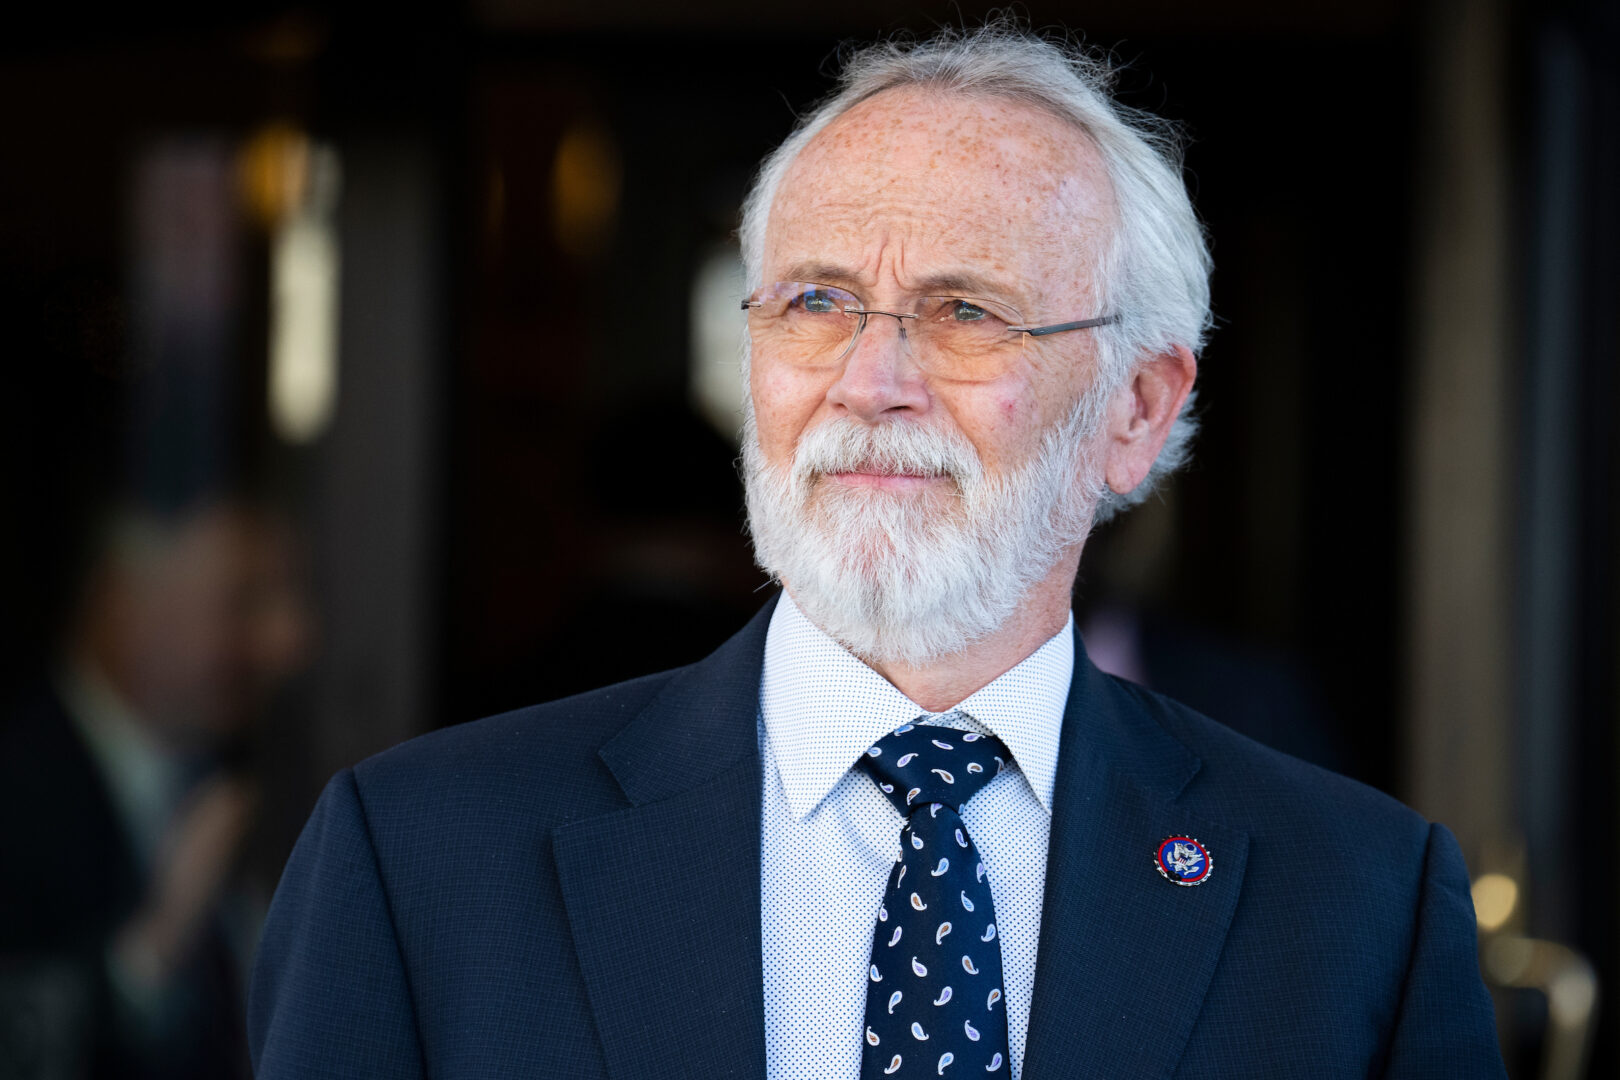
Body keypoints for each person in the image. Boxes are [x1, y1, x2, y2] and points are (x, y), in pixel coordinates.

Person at [247, 23, 1505, 1079]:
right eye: (816, 301)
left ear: (1136, 410)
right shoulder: (416, 861)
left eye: (965, 311)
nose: (871, 381)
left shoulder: (1357, 906)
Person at [2, 499, 310, 1079]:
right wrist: (152, 954)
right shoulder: (19, 793)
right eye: (241, 601)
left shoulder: (257, 788)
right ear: (124, 603)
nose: (289, 642)